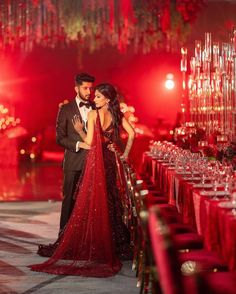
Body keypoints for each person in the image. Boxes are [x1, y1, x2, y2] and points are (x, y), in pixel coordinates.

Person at [29, 83, 135, 277]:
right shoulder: (116, 115)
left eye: (98, 97)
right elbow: (133, 134)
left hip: (96, 163)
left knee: (92, 200)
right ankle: (111, 242)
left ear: (108, 99)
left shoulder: (94, 115)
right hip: (110, 161)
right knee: (110, 199)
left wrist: (79, 129)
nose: (94, 99)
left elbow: (88, 143)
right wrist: (124, 154)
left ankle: (94, 241)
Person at [37, 72, 95, 257]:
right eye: (85, 88)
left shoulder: (96, 106)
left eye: (90, 88)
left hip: (94, 163)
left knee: (90, 202)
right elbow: (59, 138)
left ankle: (87, 241)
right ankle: (63, 241)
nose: (89, 91)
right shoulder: (66, 109)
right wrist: (79, 144)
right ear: (76, 88)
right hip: (73, 161)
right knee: (69, 200)